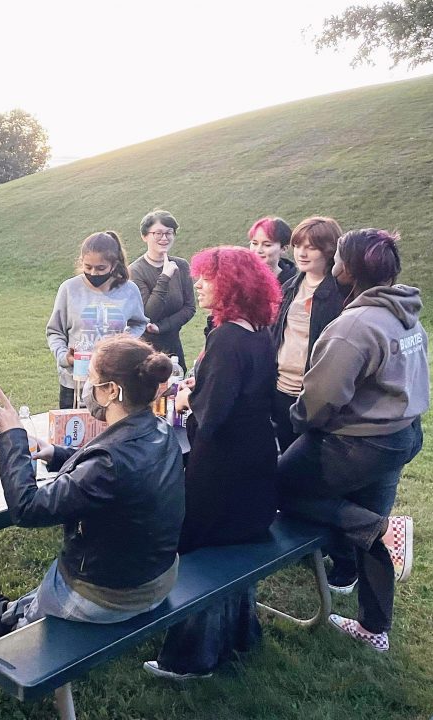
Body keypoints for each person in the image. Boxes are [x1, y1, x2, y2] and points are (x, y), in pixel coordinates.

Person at [0, 335, 184, 636]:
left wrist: (13, 437)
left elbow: (27, 508)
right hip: (158, 574)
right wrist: (57, 453)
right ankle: (10, 611)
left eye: (93, 380)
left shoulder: (109, 464)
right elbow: (112, 473)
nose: (87, 387)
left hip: (115, 594)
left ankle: (13, 626)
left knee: (62, 580)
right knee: (58, 575)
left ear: (111, 390)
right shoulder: (160, 430)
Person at [277, 229, 427, 652]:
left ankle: (379, 528)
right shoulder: (405, 312)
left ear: (348, 268)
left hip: (354, 443)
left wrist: (297, 419)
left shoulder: (355, 325)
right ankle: (374, 626)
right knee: (374, 533)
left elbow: (322, 398)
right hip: (400, 435)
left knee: (277, 487)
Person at [145, 246, 281, 681]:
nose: (198, 284)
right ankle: (240, 634)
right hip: (255, 457)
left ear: (231, 286)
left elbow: (215, 412)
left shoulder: (227, 338)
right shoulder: (256, 330)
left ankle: (191, 658)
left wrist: (187, 397)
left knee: (202, 550)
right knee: (233, 546)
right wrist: (200, 384)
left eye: (206, 278)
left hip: (225, 465)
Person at [47, 231, 148, 409]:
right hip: (75, 381)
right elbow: (55, 331)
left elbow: (139, 323)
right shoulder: (69, 289)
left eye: (101, 268)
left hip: (113, 382)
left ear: (114, 264)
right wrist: (64, 357)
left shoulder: (129, 290)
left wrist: (125, 341)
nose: (93, 273)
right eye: (88, 267)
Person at [271, 216, 347, 453]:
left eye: (310, 247)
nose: (301, 253)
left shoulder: (340, 295)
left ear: (328, 250)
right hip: (281, 389)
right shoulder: (289, 287)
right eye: (297, 246)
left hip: (312, 396)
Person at [129, 209, 196, 360]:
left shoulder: (181, 265)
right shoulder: (135, 271)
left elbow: (190, 307)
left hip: (174, 347)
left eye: (169, 233)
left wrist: (162, 327)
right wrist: (164, 277)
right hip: (145, 351)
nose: (164, 238)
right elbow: (148, 315)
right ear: (144, 236)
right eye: (158, 233)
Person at [248, 216, 296, 284]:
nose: (258, 250)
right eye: (254, 243)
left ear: (284, 248)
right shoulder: (240, 276)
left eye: (267, 245)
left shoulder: (294, 285)